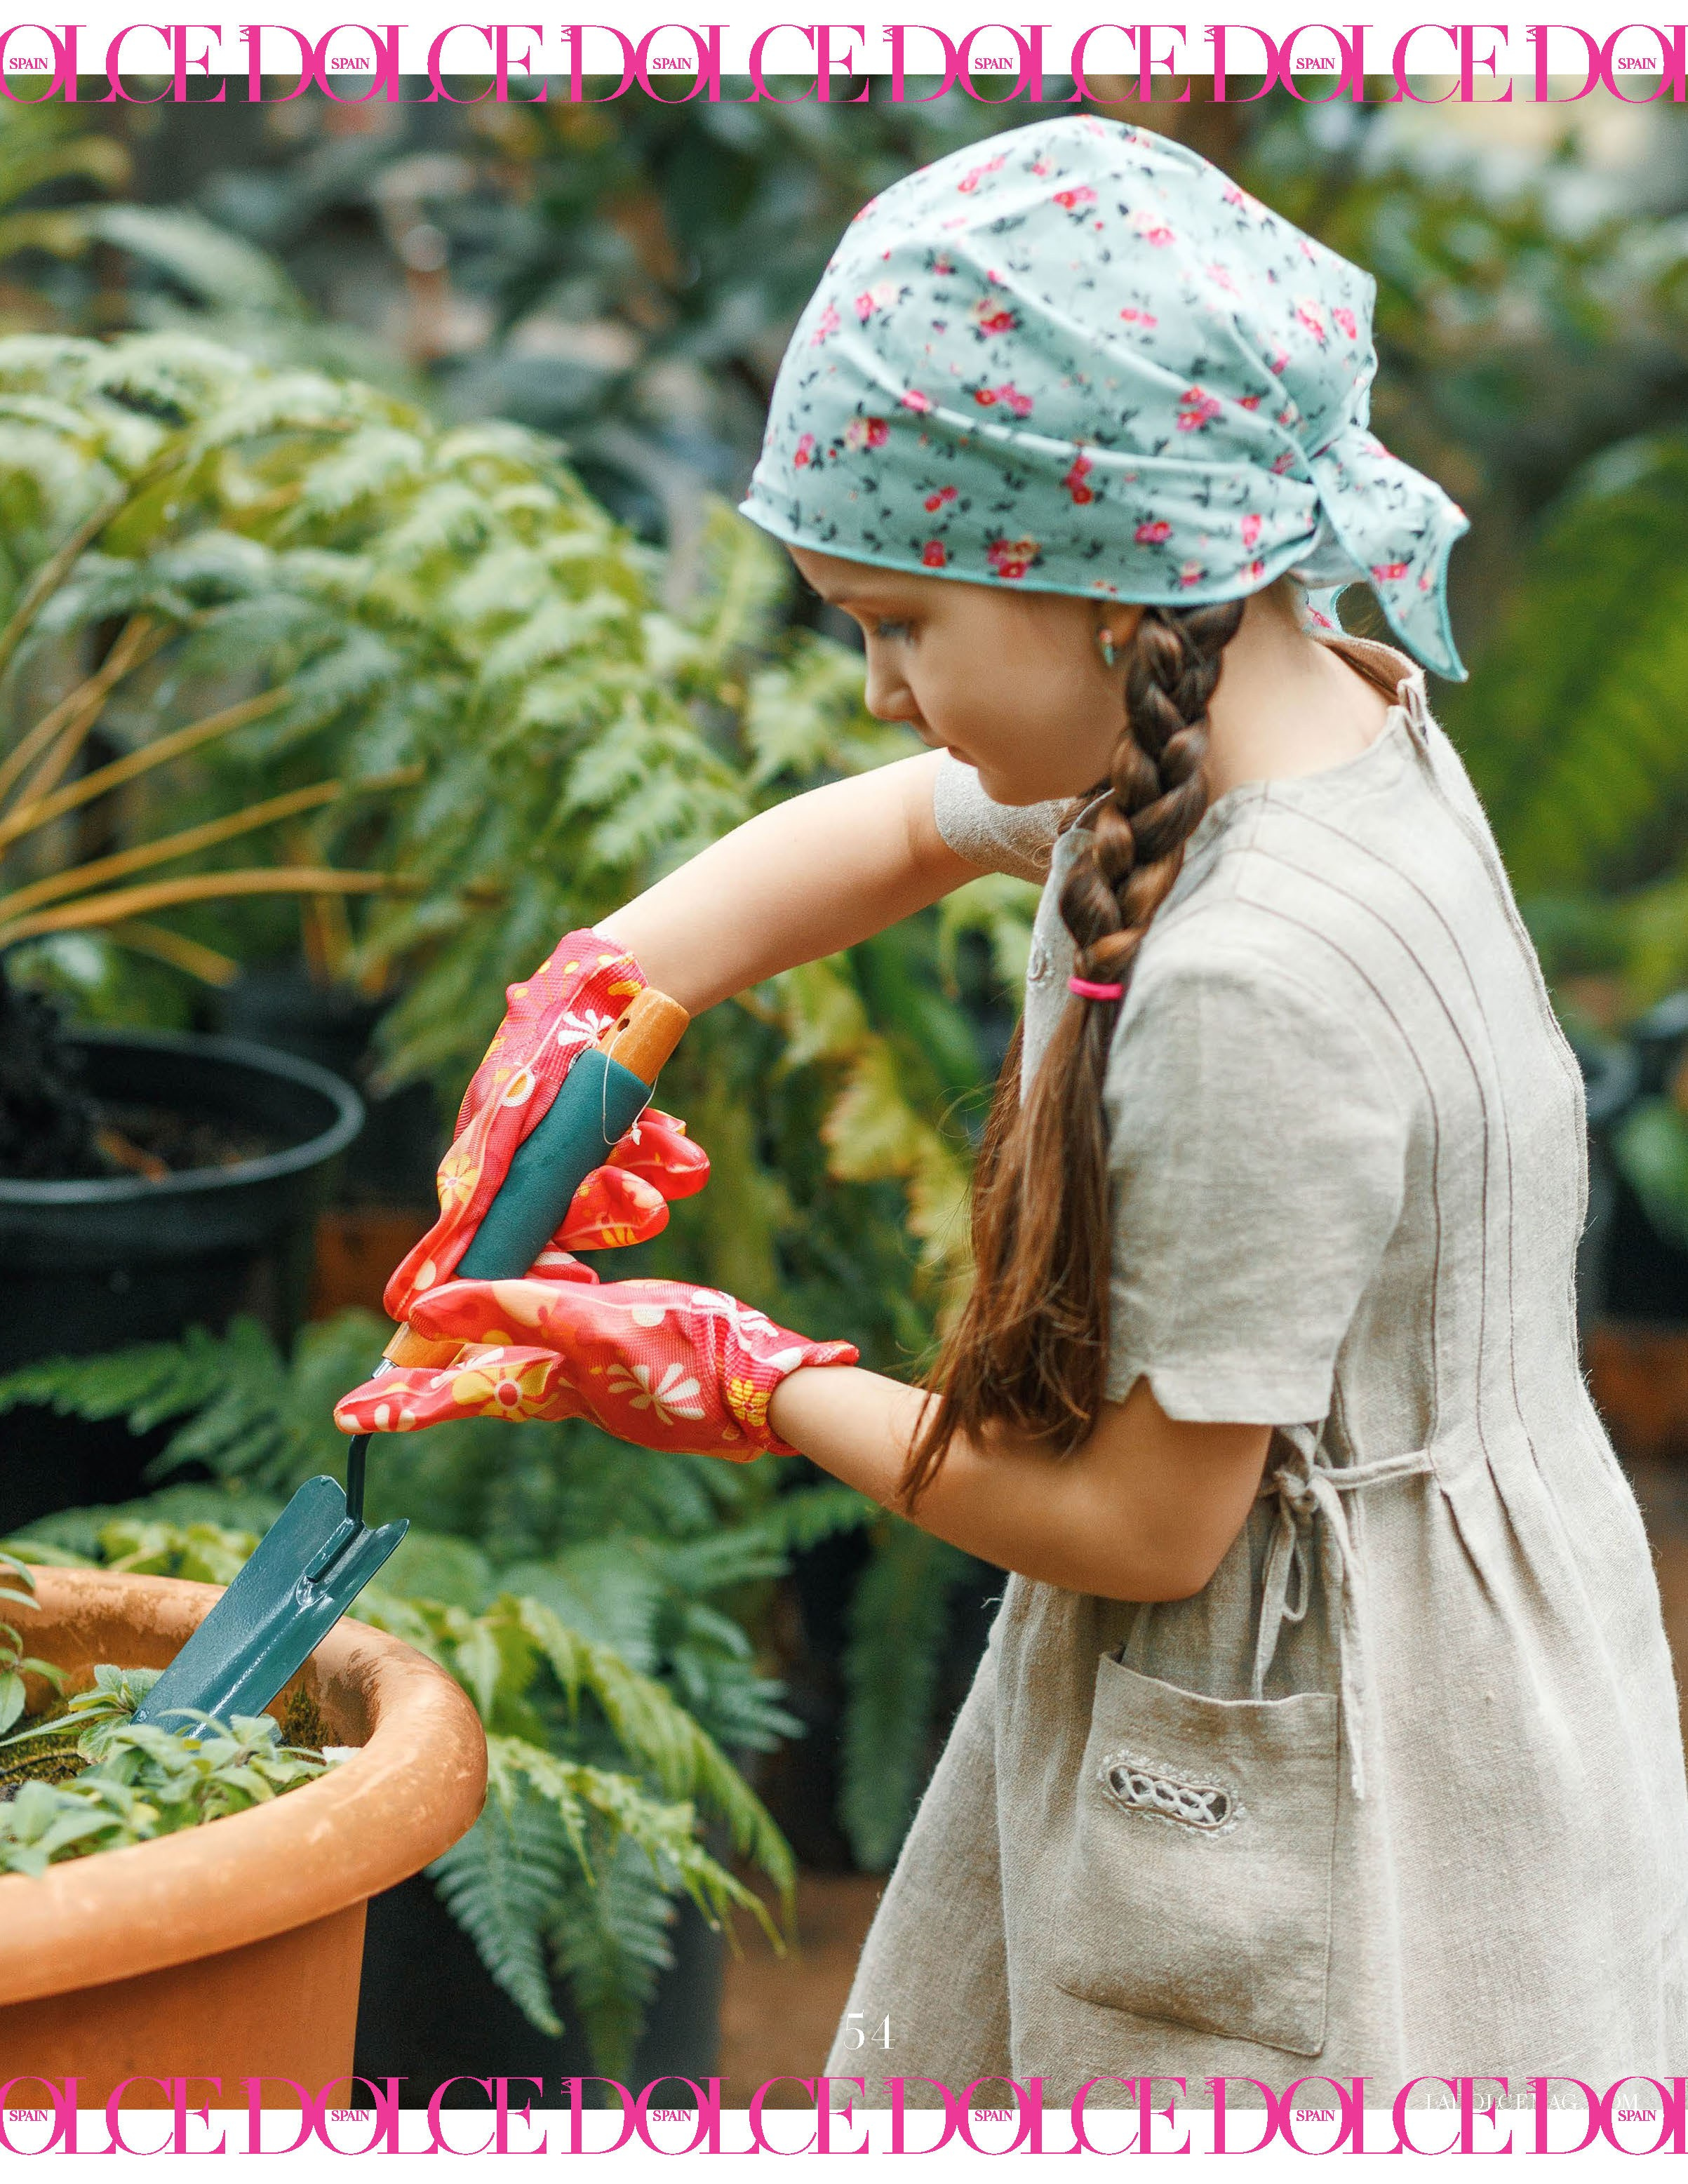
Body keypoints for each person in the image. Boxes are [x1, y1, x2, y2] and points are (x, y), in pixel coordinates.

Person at [337, 118, 1688, 2098]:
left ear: (1111, 584)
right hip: (1486, 1651)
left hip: (1318, 1762)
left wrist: (740, 1374)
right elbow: (909, 821)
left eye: (900, 626)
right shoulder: (1302, 714)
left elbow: (1139, 1523)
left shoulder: (1251, 982)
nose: (879, 690)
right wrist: (616, 984)